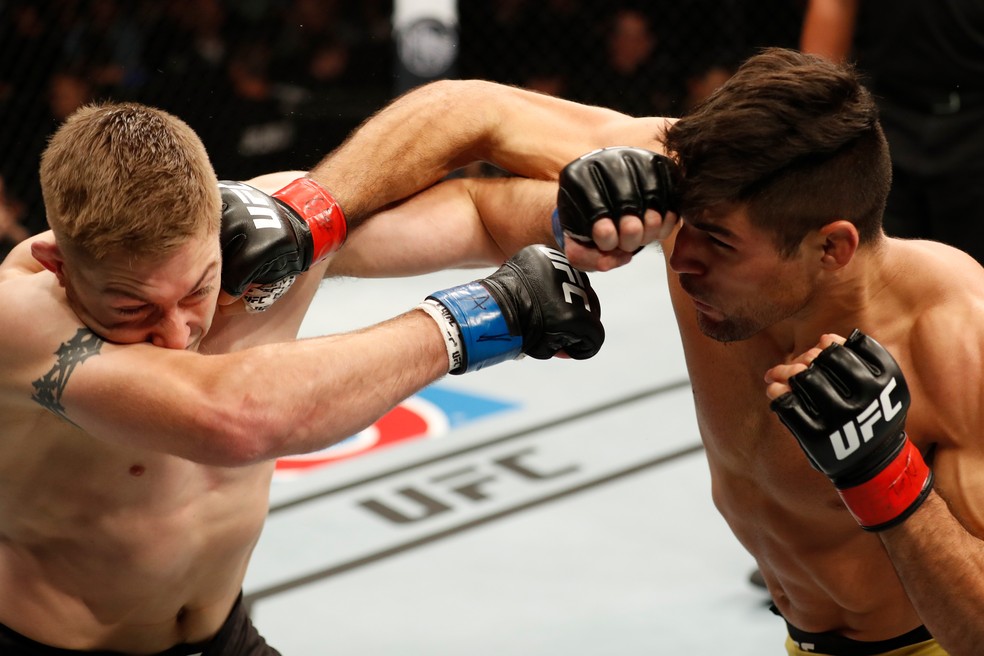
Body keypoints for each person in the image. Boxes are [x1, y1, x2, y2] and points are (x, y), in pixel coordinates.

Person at [0, 82, 656, 653]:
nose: (176, 334)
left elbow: (473, 213)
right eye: (133, 307)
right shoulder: (22, 317)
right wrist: (479, 317)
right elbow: (234, 417)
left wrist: (574, 216)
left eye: (196, 289)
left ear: (216, 224)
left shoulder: (264, 237)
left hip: (223, 632)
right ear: (60, 263)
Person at [370, 48, 984, 655]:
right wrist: (299, 220)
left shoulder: (953, 340)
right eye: (684, 223)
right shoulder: (704, 205)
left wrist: (886, 477)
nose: (681, 257)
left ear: (830, 249)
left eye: (717, 241)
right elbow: (468, 112)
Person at [800, 0, 984, 265]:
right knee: (880, 268)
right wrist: (816, 110)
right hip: (885, 114)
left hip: (975, 118)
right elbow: (836, 4)